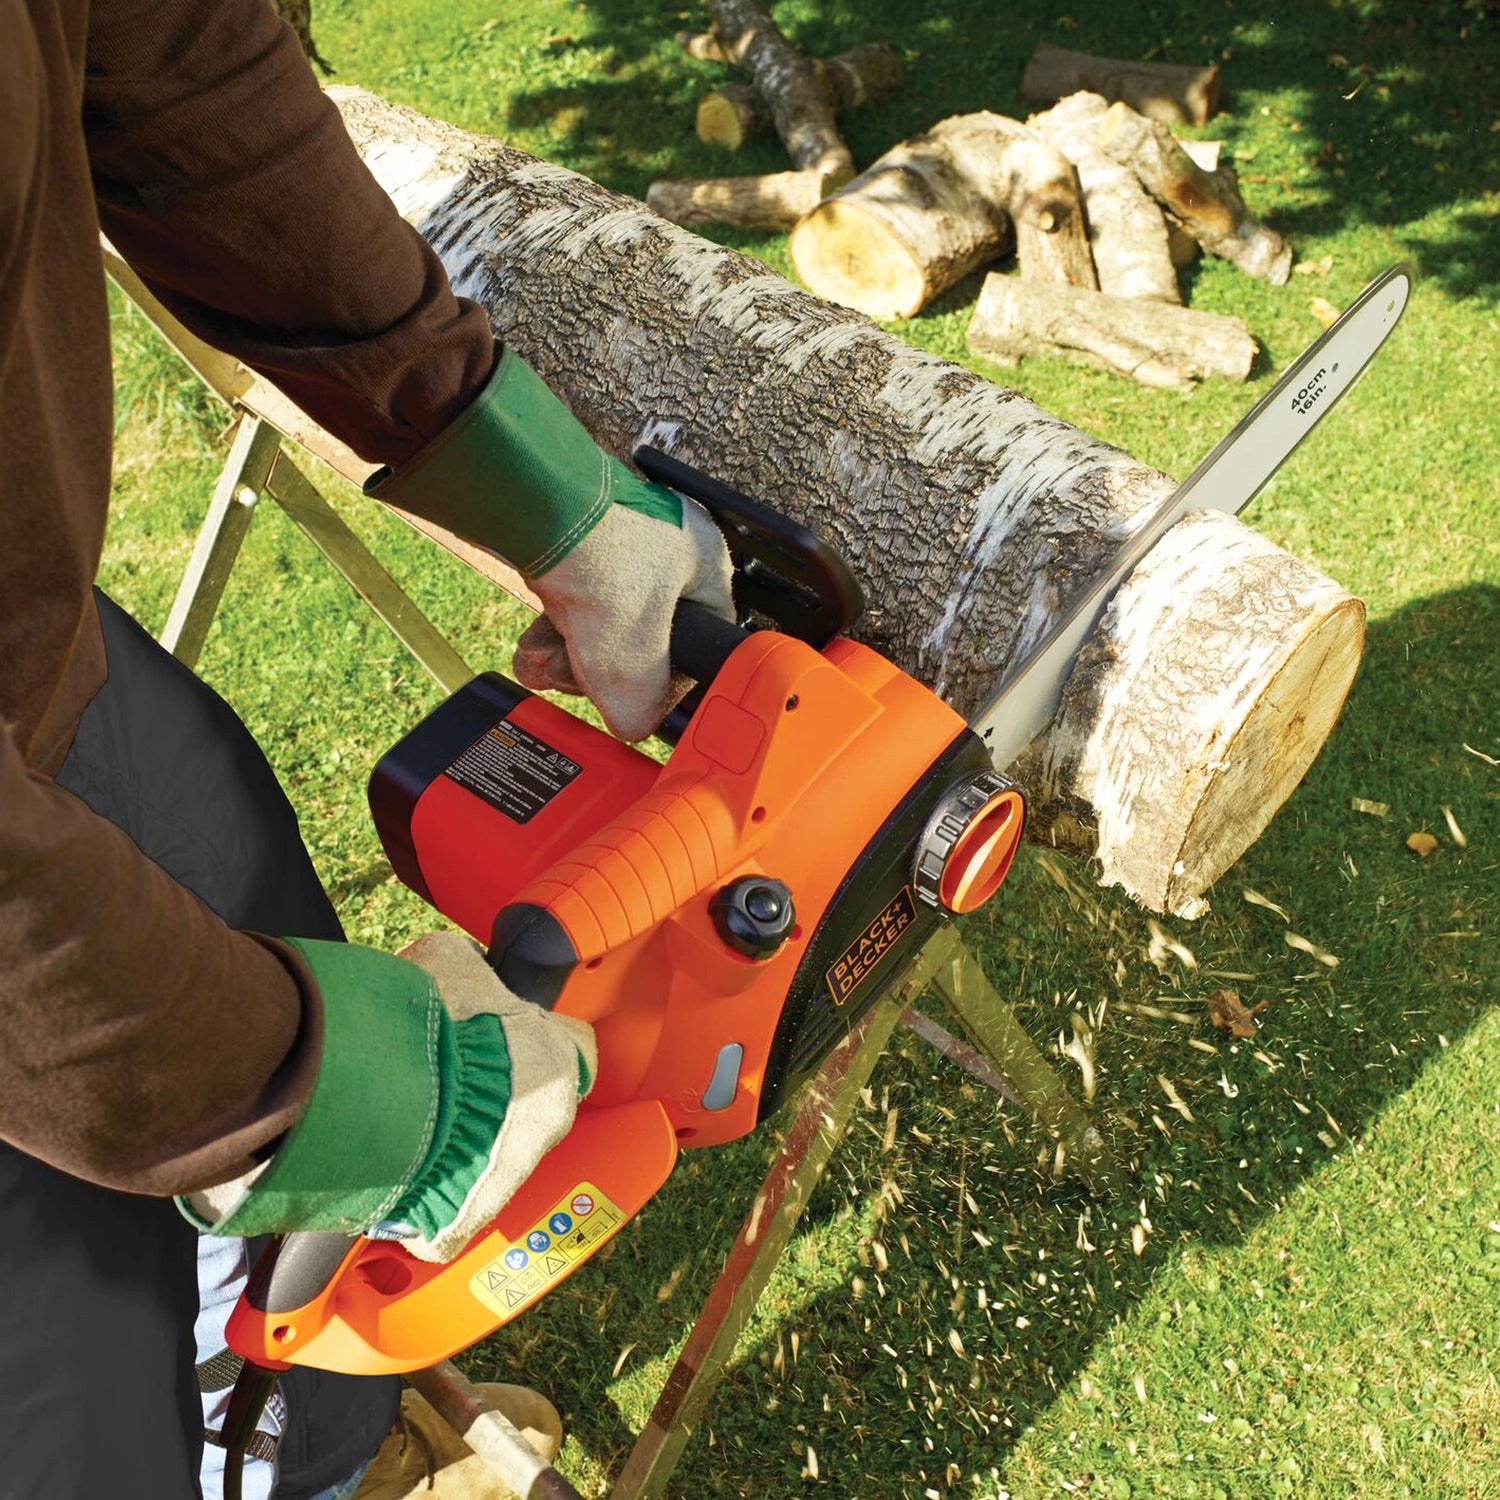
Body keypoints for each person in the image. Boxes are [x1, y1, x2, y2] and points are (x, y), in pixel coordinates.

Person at [1, 0, 734, 1496]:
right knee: (72, 1400)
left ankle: (313, 1458)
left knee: (236, 879)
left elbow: (175, 61)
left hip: (45, 648)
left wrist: (530, 479)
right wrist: (305, 1087)